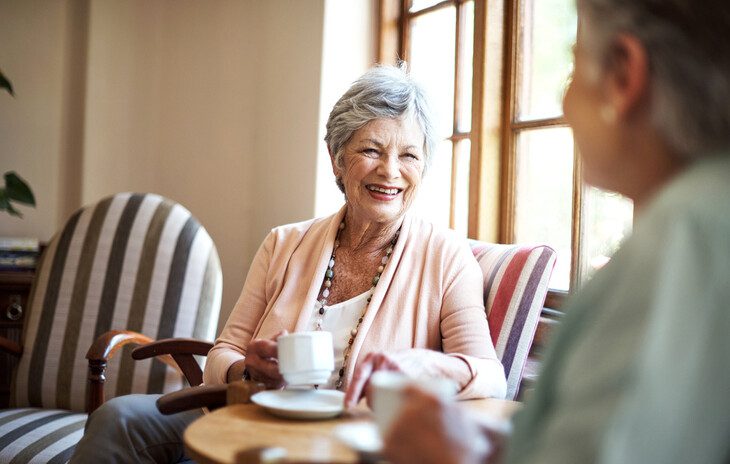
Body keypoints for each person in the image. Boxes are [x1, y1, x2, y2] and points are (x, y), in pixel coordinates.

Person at [70, 64, 507, 463]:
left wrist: (426, 365)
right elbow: (223, 353)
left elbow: (490, 376)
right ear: (338, 160)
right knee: (118, 418)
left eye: (409, 155)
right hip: (255, 416)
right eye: (372, 150)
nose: (390, 171)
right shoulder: (284, 243)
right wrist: (248, 369)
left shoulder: (446, 257)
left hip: (355, 440)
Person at [382, 0, 730, 463]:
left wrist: (451, 455)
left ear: (623, 77)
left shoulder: (683, 239)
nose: (564, 103)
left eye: (573, 64)